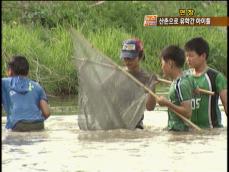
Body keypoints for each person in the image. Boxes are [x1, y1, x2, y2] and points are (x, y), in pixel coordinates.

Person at [184, 37, 227, 128]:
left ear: (203, 56)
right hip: (189, 132)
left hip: (212, 131)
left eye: (191, 56)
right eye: (186, 56)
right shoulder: (184, 77)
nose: (188, 59)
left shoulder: (216, 77)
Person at [2, 55, 50, 131]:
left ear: (10, 71)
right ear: (27, 72)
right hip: (38, 124)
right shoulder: (37, 86)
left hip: (17, 125)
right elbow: (46, 113)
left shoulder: (4, 83)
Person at [157, 45, 196, 131]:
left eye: (162, 63)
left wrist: (167, 103)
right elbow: (195, 89)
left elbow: (187, 112)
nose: (161, 67)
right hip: (176, 130)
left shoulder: (180, 84)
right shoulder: (186, 78)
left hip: (179, 131)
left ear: (170, 63)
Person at [120, 38, 157, 129]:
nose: (127, 61)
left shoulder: (146, 78)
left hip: (136, 124)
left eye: (131, 58)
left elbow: (150, 107)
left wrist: (152, 85)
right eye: (125, 58)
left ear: (140, 56)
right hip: (116, 120)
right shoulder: (118, 72)